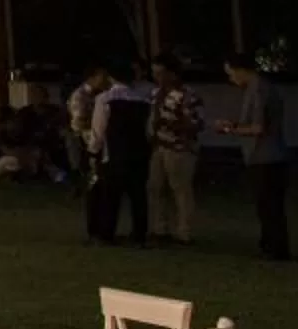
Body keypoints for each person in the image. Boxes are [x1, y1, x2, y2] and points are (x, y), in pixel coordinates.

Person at [218, 57, 291, 261]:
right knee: (267, 204)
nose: (231, 79)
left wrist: (231, 129)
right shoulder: (258, 89)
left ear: (240, 70)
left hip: (265, 156)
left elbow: (259, 127)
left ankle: (275, 248)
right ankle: (270, 244)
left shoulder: (259, 90)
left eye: (231, 74)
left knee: (269, 205)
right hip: (263, 156)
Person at [88, 62, 154, 244]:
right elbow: (149, 129)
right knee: (138, 196)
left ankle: (106, 233)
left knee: (110, 195)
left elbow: (98, 130)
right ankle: (139, 233)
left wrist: (93, 151)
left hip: (114, 152)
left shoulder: (105, 99)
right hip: (138, 153)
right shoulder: (143, 101)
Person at [148, 61, 203, 243]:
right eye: (154, 73)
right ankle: (160, 228)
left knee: (181, 189)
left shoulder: (187, 95)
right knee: (156, 187)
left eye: (160, 73)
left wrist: (171, 124)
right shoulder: (155, 94)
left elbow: (196, 124)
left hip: (179, 147)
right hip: (159, 146)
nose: (157, 78)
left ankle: (184, 231)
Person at [65, 69, 113, 197]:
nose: (105, 81)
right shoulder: (80, 95)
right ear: (92, 78)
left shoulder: (102, 94)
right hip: (82, 134)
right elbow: (79, 121)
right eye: (102, 77)